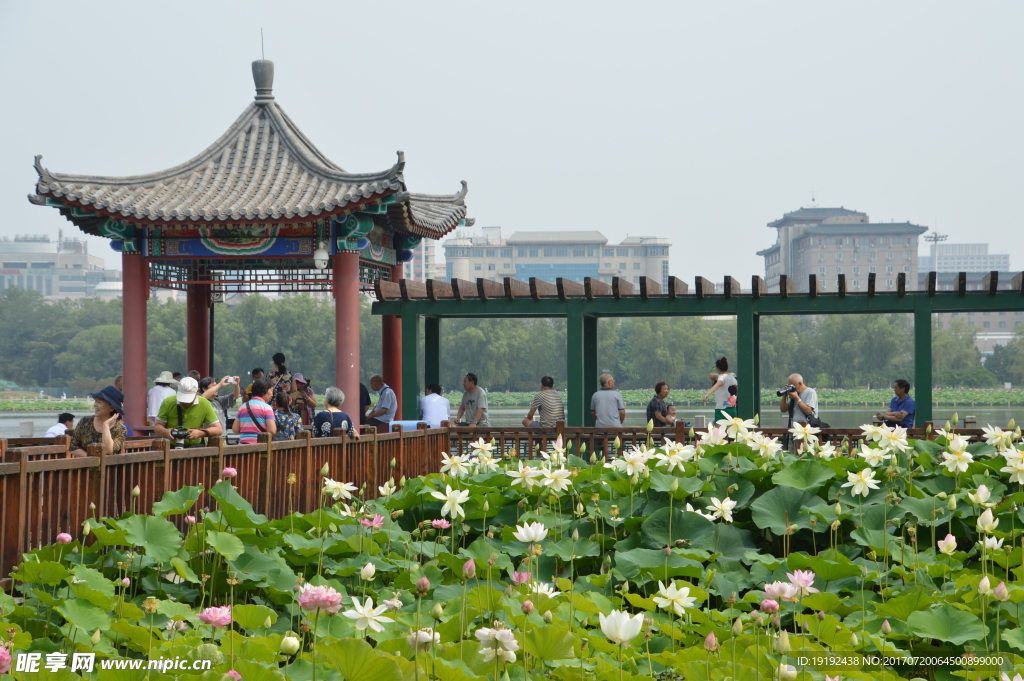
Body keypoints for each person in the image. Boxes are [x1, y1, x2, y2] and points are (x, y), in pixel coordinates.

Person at [153, 377, 223, 447]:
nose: (185, 402)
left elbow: (218, 429)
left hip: (196, 447)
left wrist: (200, 433)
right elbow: (157, 426)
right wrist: (166, 432)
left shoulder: (205, 403)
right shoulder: (168, 402)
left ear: (197, 392)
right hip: (170, 446)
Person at [69, 385, 127, 457]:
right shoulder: (85, 421)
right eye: (95, 401)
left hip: (109, 467)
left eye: (99, 402)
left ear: (111, 408)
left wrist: (105, 426)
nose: (95, 405)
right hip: (85, 465)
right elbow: (73, 447)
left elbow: (108, 451)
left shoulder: (120, 429)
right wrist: (92, 459)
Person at [233, 377, 277, 443]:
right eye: (271, 391)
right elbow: (272, 431)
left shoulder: (242, 407)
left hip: (242, 447)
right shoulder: (267, 408)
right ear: (263, 392)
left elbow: (235, 429)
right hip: (260, 447)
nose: (272, 394)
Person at [702, 357, 739, 423]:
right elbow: (711, 376)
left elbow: (718, 384)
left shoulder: (721, 377)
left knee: (718, 431)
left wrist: (707, 394)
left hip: (721, 409)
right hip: (732, 409)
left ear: (717, 368)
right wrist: (721, 375)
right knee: (731, 430)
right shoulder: (733, 377)